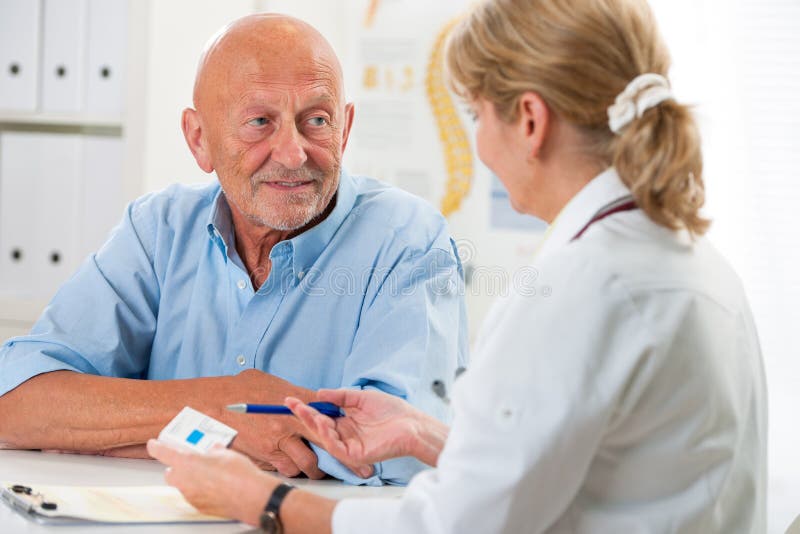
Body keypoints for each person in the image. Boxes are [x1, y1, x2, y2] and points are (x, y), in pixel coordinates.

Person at [147, 0, 767, 532]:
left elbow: (452, 525)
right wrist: (425, 436)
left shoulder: (581, 289)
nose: (479, 146)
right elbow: (590, 477)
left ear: (529, 120)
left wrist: (262, 501)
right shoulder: (681, 257)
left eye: (476, 115)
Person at [0, 14, 468, 486]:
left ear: (344, 129)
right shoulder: (158, 229)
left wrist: (124, 435)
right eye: (260, 122)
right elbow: (16, 401)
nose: (292, 152)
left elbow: (399, 454)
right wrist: (227, 403)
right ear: (199, 139)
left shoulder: (408, 240)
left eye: (317, 120)